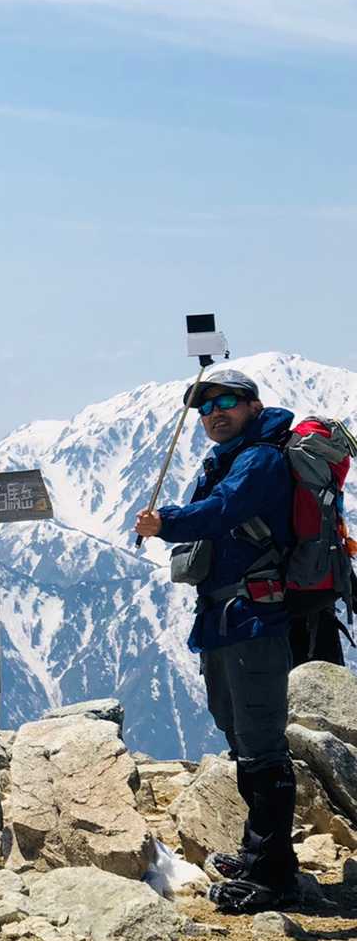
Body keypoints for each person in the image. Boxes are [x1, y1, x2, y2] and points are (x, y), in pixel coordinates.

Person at [136, 368, 299, 913]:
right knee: (242, 738)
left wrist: (166, 523)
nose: (214, 413)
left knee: (262, 746)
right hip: (227, 618)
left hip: (253, 620)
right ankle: (260, 856)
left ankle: (273, 877)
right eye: (205, 408)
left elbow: (222, 509)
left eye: (227, 401)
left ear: (253, 405)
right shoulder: (229, 458)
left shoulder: (261, 460)